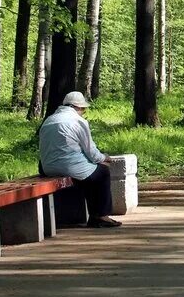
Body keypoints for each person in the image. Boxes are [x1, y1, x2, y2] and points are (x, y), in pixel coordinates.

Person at [38, 91, 122, 228]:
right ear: (79, 107)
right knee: (102, 172)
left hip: (47, 168)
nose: (83, 112)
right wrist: (105, 158)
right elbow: (92, 153)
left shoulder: (49, 120)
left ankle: (84, 214)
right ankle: (101, 215)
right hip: (69, 166)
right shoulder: (79, 122)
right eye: (83, 109)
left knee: (87, 173)